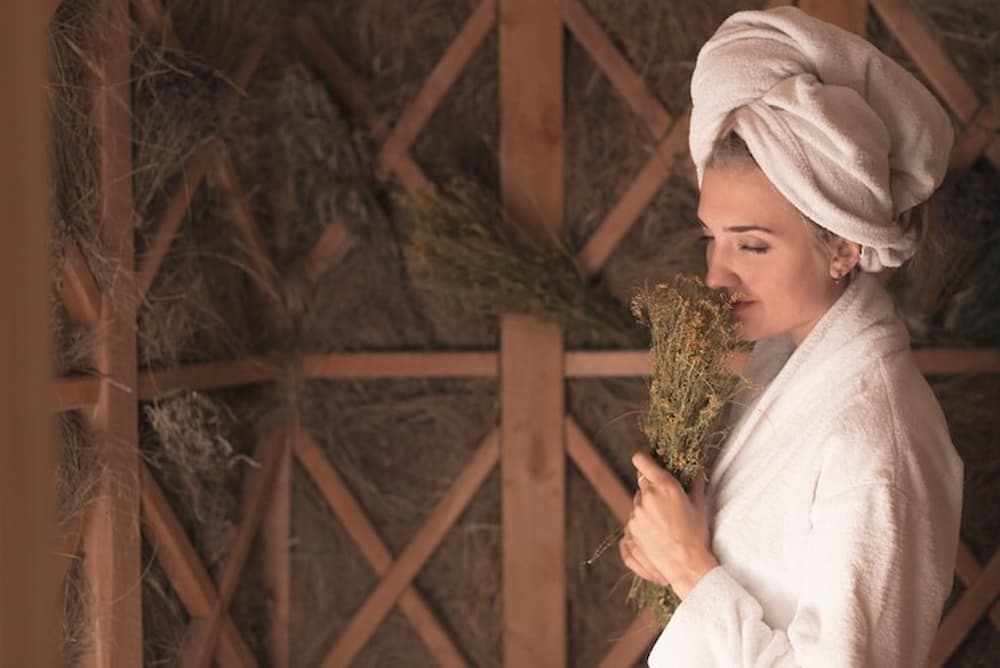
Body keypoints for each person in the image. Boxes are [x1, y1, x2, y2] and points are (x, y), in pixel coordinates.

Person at [618, 7, 964, 666]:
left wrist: (692, 568)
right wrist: (673, 558)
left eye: (752, 244)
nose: (717, 275)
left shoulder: (879, 438)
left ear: (840, 247)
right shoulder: (783, 375)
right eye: (711, 239)